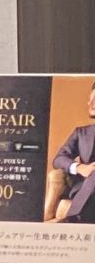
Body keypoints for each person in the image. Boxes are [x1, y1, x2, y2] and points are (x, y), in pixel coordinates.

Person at [45, 79, 95, 224]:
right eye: (90, 99)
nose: (91, 103)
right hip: (86, 189)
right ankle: (75, 218)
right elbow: (59, 159)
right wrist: (80, 168)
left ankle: (72, 220)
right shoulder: (81, 133)